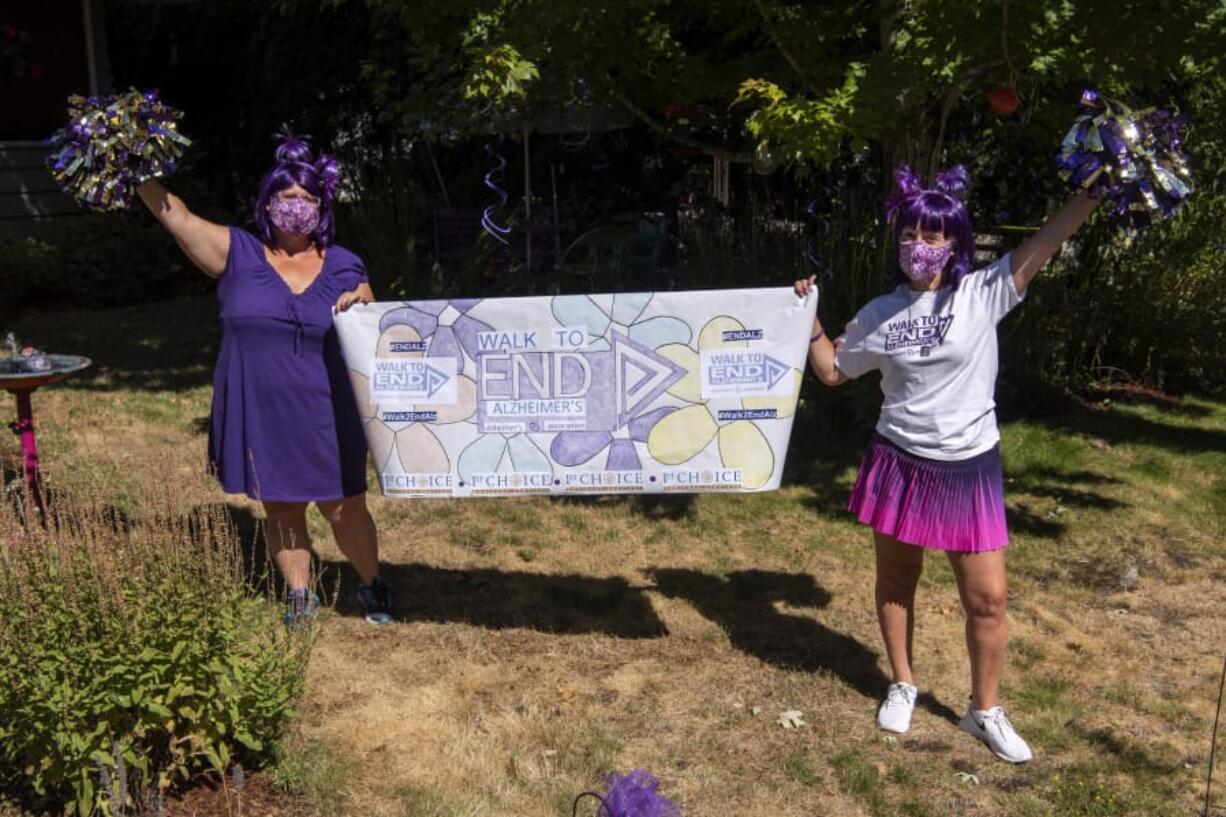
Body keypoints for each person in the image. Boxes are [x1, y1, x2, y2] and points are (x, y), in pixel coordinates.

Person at [794, 165, 1099, 762]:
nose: (920, 246)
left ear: (955, 242)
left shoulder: (984, 293)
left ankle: (983, 711)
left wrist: (1098, 187)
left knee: (987, 600)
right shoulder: (880, 313)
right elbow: (832, 371)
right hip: (901, 462)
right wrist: (809, 321)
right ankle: (902, 683)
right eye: (910, 234)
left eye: (933, 236)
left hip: (967, 467)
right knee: (897, 582)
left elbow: (1050, 237)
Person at [137, 134, 395, 625]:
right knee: (282, 508)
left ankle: (371, 582)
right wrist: (132, 173)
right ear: (267, 203)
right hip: (263, 407)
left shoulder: (343, 264)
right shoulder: (236, 253)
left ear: (322, 207)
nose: (296, 207)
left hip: (327, 410)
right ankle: (300, 593)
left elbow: (374, 315)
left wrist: (360, 305)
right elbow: (177, 216)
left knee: (345, 508)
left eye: (307, 199)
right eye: (287, 197)